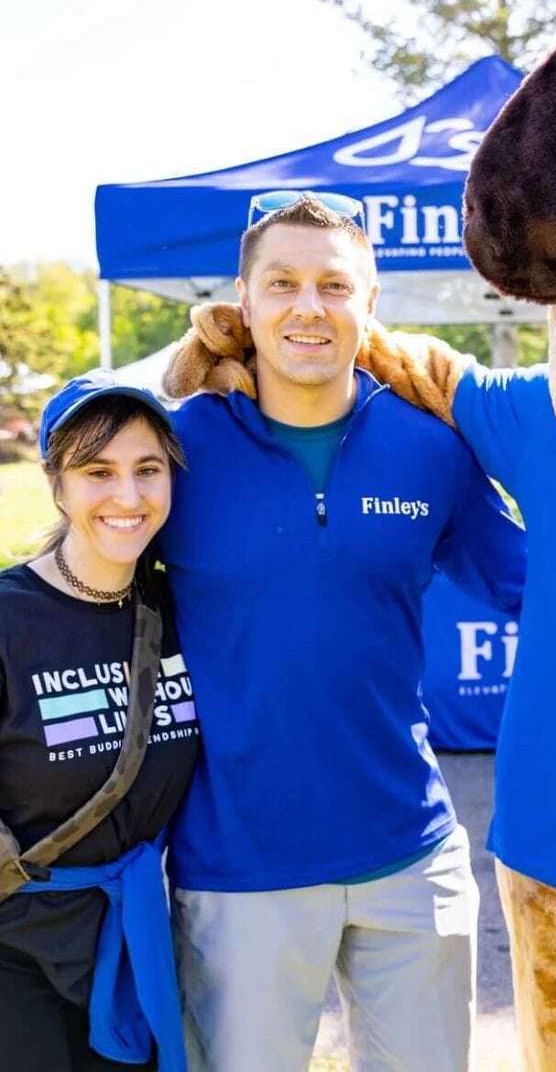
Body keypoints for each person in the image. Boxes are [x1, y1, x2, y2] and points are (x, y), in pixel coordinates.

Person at [158, 192, 526, 1072]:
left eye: (334, 285)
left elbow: (538, 587)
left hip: (410, 851)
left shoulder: (430, 447)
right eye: (281, 283)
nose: (308, 307)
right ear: (243, 302)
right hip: (238, 867)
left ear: (369, 304)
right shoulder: (177, 451)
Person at [0, 373, 197, 1071]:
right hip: (16, 953)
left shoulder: (184, 609)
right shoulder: (8, 618)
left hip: (137, 945)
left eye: (148, 470)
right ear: (57, 484)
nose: (127, 497)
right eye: (97, 471)